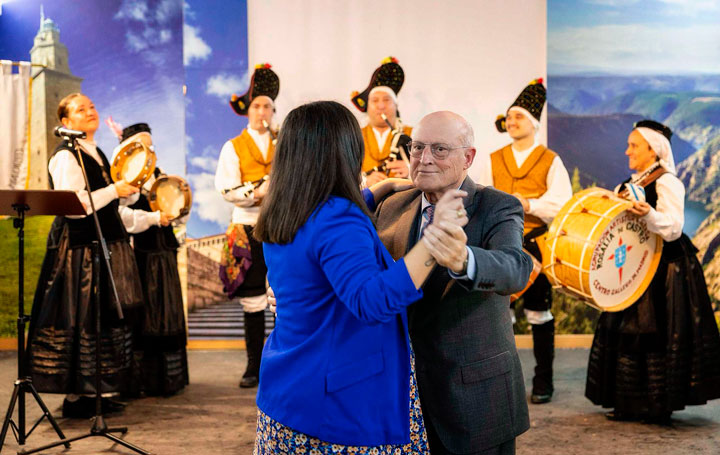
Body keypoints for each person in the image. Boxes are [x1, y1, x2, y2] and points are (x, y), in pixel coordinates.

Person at [253, 101, 468, 453]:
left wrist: (374, 193)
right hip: (339, 407)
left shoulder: (284, 209)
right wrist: (435, 239)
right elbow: (373, 301)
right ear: (343, 151)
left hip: (288, 394)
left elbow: (320, 243)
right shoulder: (339, 218)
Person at [374, 111, 533, 454]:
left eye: (440, 149)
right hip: (399, 402)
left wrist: (465, 260)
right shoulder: (391, 206)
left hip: (475, 403)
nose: (425, 158)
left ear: (468, 157)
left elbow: (515, 268)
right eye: (417, 148)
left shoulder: (496, 207)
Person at [585, 119, 720, 423]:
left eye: (634, 146)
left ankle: (659, 405)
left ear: (653, 149)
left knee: (656, 331)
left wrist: (649, 214)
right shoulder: (631, 184)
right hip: (635, 265)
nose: (627, 151)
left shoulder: (667, 182)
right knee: (629, 331)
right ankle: (629, 402)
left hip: (666, 269)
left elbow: (673, 228)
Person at [26, 93, 144, 418]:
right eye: (81, 110)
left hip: (104, 241)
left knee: (102, 316)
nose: (90, 112)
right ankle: (78, 396)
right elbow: (76, 207)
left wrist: (125, 195)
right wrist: (112, 191)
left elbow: (105, 200)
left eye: (92, 106)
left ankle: (100, 390)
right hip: (79, 249)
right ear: (66, 122)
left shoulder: (95, 151)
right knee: (81, 316)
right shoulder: (65, 155)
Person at [484, 78, 572, 404]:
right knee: (497, 314)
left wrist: (529, 205)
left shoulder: (550, 160)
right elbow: (478, 197)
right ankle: (502, 382)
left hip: (536, 246)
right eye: (509, 116)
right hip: (500, 247)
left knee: (539, 313)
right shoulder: (493, 159)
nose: (512, 121)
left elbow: (562, 202)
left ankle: (543, 381)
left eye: (518, 116)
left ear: (533, 123)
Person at [111, 123, 189, 396]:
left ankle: (167, 380)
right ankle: (141, 382)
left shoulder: (160, 177)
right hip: (140, 258)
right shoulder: (124, 180)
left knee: (166, 311)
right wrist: (154, 218)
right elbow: (119, 217)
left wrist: (178, 208)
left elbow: (176, 208)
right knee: (145, 317)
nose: (150, 150)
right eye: (144, 144)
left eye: (151, 145)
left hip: (164, 253)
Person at [215, 63, 279, 388]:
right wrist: (256, 192)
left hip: (282, 228)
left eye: (267, 105)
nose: (261, 111)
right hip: (249, 228)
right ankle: (253, 366)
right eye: (256, 105)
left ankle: (282, 363)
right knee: (254, 300)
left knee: (285, 294)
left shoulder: (284, 142)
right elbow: (226, 189)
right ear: (247, 110)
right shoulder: (233, 146)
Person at [351, 56, 413, 186]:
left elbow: (432, 173)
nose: (381, 106)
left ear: (396, 105)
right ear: (367, 106)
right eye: (374, 101)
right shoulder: (354, 136)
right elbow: (342, 175)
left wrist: (411, 171)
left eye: (386, 100)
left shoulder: (412, 134)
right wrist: (364, 181)